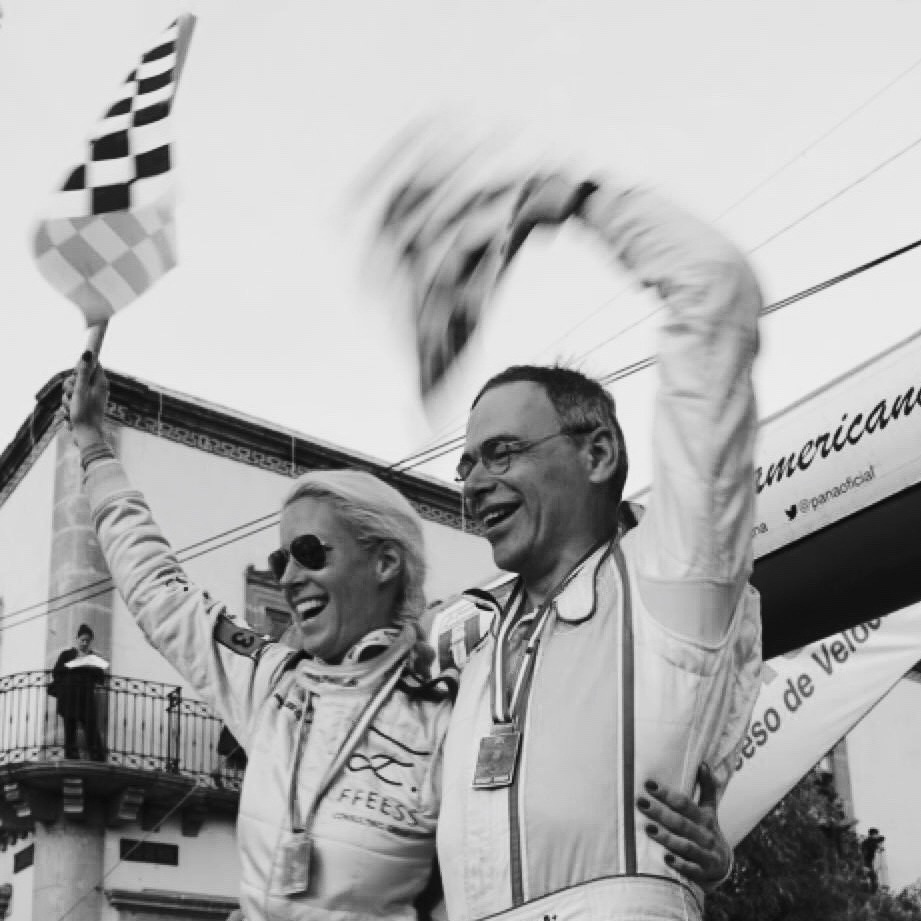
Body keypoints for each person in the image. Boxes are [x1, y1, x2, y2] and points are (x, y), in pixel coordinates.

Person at [64, 355, 737, 921]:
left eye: (309, 551)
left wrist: (704, 851)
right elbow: (158, 588)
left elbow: (554, 811)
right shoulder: (270, 681)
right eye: (278, 562)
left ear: (384, 562)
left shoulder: (456, 708)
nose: (289, 577)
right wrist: (95, 449)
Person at [436, 172, 763, 921]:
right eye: (466, 462)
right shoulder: (477, 635)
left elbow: (715, 291)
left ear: (597, 454)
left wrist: (579, 201)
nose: (473, 482)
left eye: (502, 452)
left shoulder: (673, 571)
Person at [50, 623, 107, 761]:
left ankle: (97, 755)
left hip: (86, 697)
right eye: (82, 640)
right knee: (69, 725)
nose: (85, 643)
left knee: (90, 724)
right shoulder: (67, 654)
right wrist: (74, 663)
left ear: (90, 642)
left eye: (87, 640)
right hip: (69, 695)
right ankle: (71, 754)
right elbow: (56, 672)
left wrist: (91, 665)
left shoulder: (93, 657)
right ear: (77, 639)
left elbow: (101, 678)